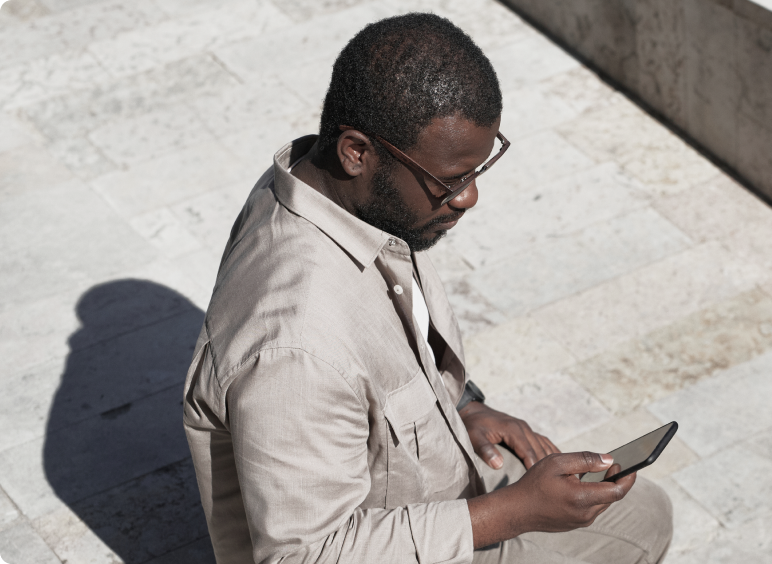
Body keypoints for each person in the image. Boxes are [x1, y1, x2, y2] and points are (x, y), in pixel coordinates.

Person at [183, 12, 673, 564]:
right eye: (450, 181)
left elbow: (392, 343)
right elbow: (306, 555)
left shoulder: (322, 186)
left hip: (435, 485)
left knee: (645, 511)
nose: (467, 199)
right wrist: (516, 512)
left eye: (475, 173)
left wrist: (463, 405)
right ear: (356, 151)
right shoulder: (294, 349)